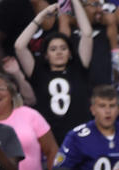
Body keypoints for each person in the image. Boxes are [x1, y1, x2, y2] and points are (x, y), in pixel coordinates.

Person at [15, 3, 94, 144]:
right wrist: (41, 15)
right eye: (53, 49)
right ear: (45, 55)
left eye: (63, 48)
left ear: (70, 53)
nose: (58, 52)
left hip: (80, 138)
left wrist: (74, 1)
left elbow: (87, 34)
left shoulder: (78, 68)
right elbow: (19, 46)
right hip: (50, 140)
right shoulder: (38, 72)